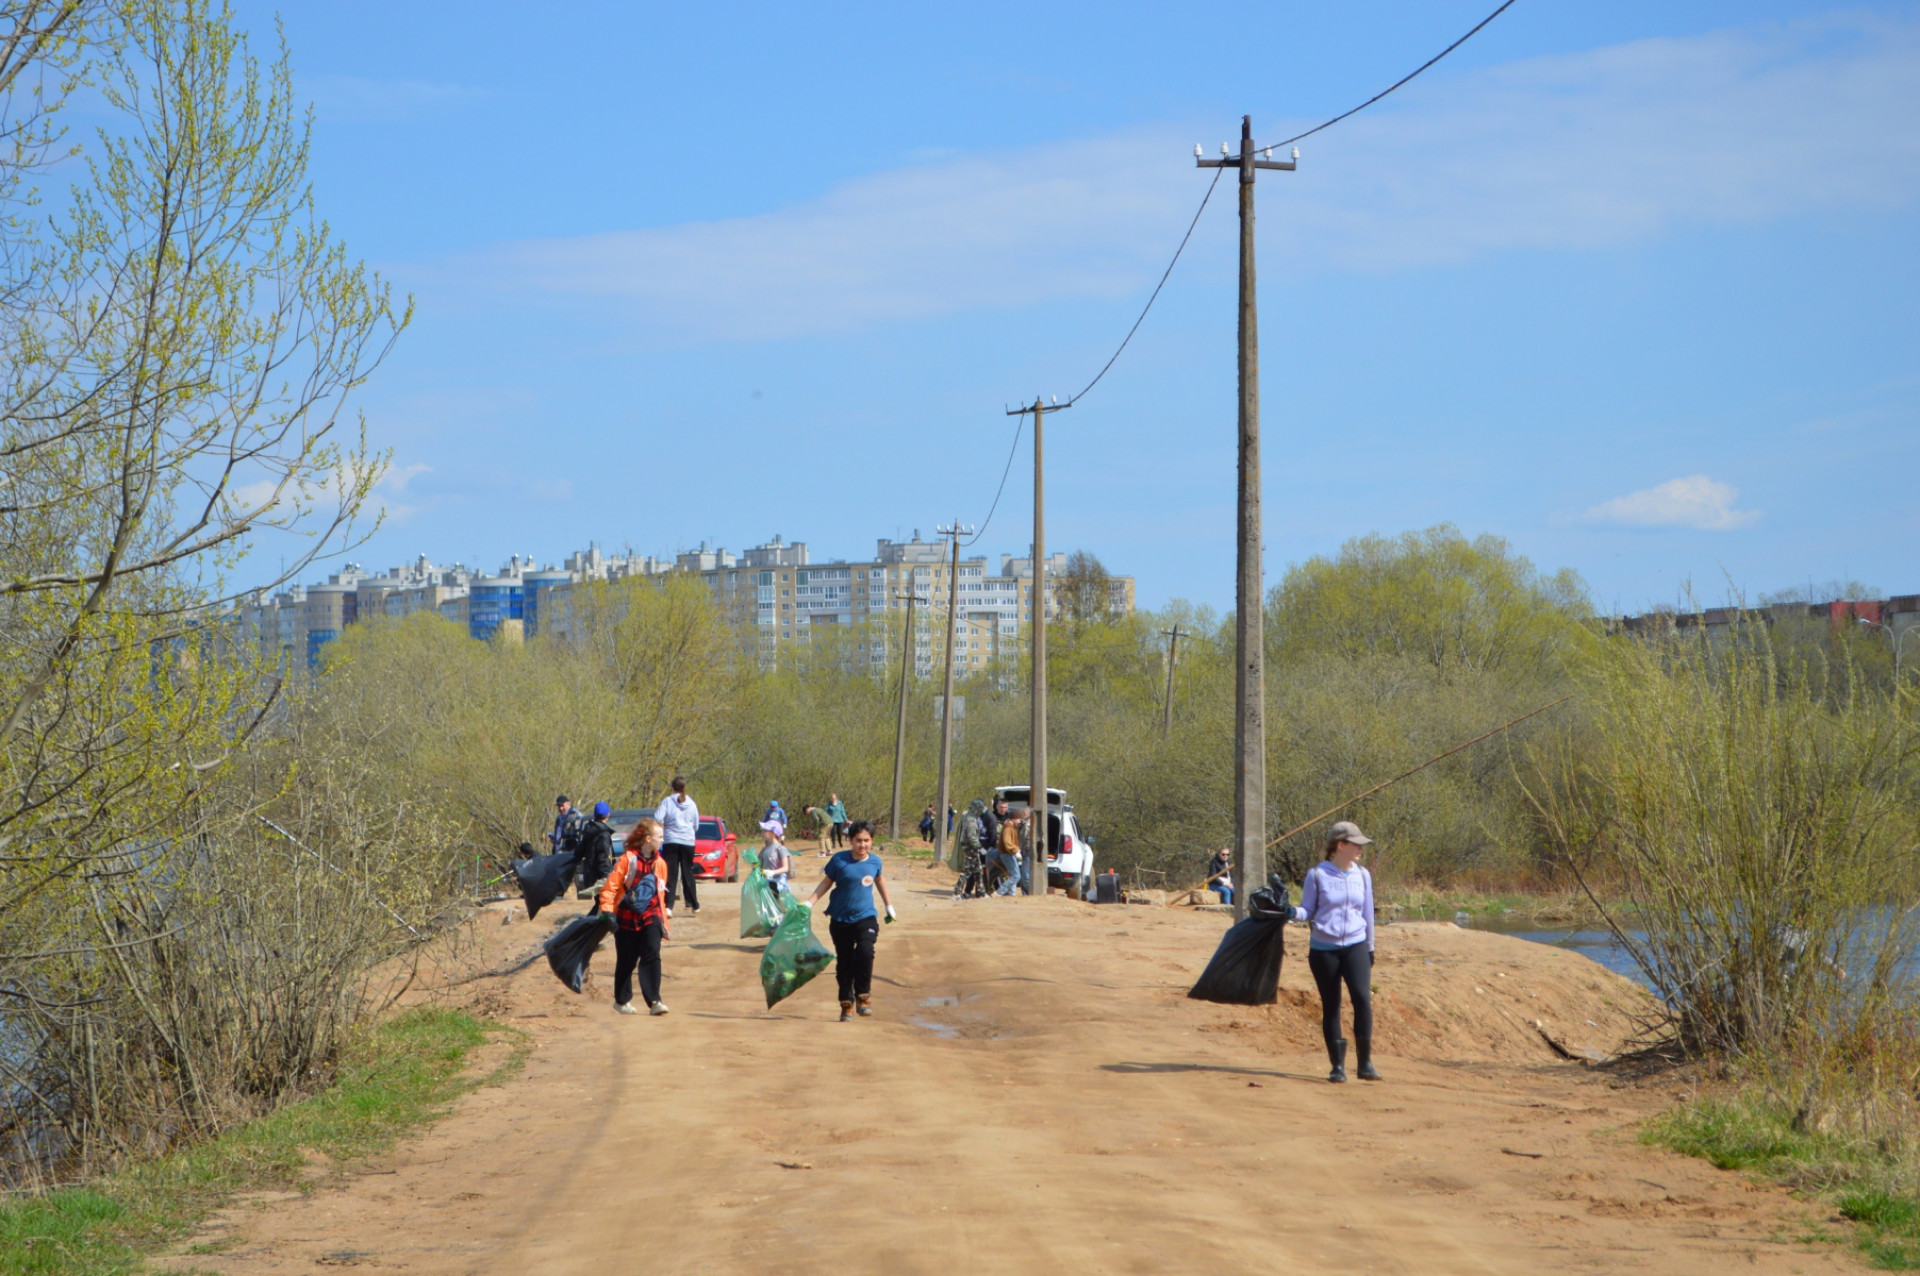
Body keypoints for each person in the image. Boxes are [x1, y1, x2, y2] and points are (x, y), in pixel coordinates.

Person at [1292, 820, 1380, 1083]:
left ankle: (1365, 1064)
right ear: (1340, 845)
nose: (1360, 850)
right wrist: (1288, 912)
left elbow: (1367, 913)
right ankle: (1337, 1067)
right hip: (1323, 949)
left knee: (1362, 999)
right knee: (1332, 1005)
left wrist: (1370, 947)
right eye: (1356, 845)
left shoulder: (1362, 875)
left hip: (1356, 945)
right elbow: (1307, 910)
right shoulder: (1317, 875)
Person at [808, 820, 895, 1021]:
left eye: (866, 841)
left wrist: (889, 905)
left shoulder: (875, 862)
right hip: (840, 919)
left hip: (866, 916)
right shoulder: (839, 860)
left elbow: (880, 881)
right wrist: (810, 902)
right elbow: (826, 883)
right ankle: (846, 1003)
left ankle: (863, 997)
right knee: (845, 961)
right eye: (858, 841)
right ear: (850, 840)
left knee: (865, 952)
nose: (862, 845)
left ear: (872, 841)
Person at [597, 817, 671, 1015]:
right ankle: (621, 1001)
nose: (663, 840)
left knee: (652, 953)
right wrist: (607, 910)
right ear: (648, 839)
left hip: (651, 913)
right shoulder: (627, 860)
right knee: (627, 960)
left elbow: (661, 895)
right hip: (627, 915)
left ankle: (655, 1001)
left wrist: (664, 921)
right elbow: (610, 887)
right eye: (660, 836)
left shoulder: (661, 864)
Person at [654, 776, 702, 916]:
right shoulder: (692, 804)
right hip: (688, 841)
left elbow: (658, 817)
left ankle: (669, 907)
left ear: (672, 788)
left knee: (671, 874)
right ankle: (695, 904)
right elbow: (696, 825)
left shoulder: (668, 801)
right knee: (688, 872)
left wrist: (666, 826)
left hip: (671, 840)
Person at [575, 801, 616, 896]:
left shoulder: (589, 830)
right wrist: (607, 876)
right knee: (605, 904)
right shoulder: (603, 834)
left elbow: (579, 851)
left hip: (590, 873)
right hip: (600, 876)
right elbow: (603, 857)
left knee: (599, 904)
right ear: (608, 814)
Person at [952, 799, 988, 899]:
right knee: (967, 872)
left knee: (978, 871)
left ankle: (981, 893)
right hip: (970, 848)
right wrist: (980, 848)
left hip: (970, 847)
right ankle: (956, 893)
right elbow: (972, 837)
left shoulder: (969, 817)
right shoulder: (971, 820)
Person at [993, 809, 1027, 897]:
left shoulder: (1010, 826)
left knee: (1013, 875)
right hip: (1007, 854)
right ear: (1015, 818)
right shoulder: (1008, 827)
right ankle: (999, 892)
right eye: (1019, 820)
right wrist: (1015, 851)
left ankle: (1012, 894)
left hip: (1008, 853)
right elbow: (1007, 842)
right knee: (1016, 876)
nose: (1019, 822)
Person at [758, 819, 791, 897]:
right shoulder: (765, 849)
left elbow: (786, 868)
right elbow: (759, 864)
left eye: (765, 831)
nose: (762, 833)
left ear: (773, 833)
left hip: (778, 884)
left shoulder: (780, 849)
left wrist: (773, 872)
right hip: (766, 883)